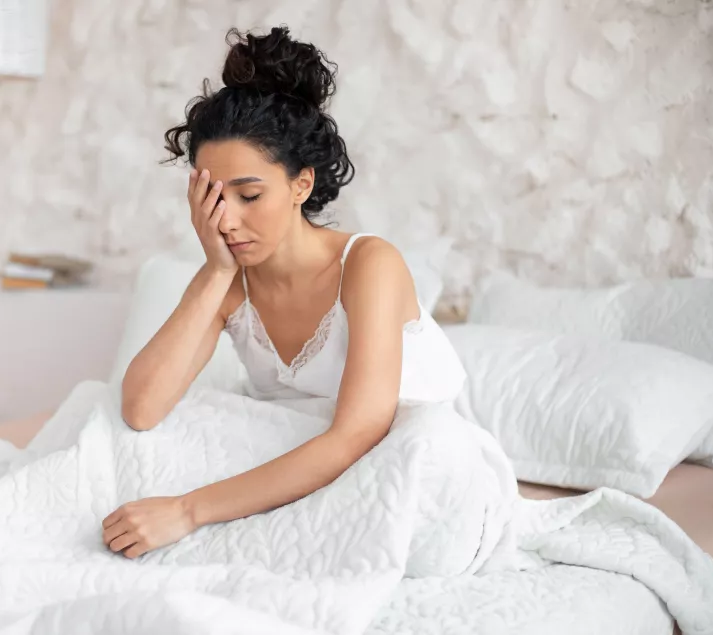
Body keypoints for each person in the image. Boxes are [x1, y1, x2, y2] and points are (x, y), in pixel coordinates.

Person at [102, 26, 466, 559]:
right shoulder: (227, 282)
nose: (226, 219)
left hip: (405, 468)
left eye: (249, 195)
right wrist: (215, 270)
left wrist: (187, 510)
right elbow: (139, 408)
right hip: (300, 467)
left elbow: (357, 435)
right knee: (100, 423)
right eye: (211, 197)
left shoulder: (369, 265)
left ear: (301, 184)